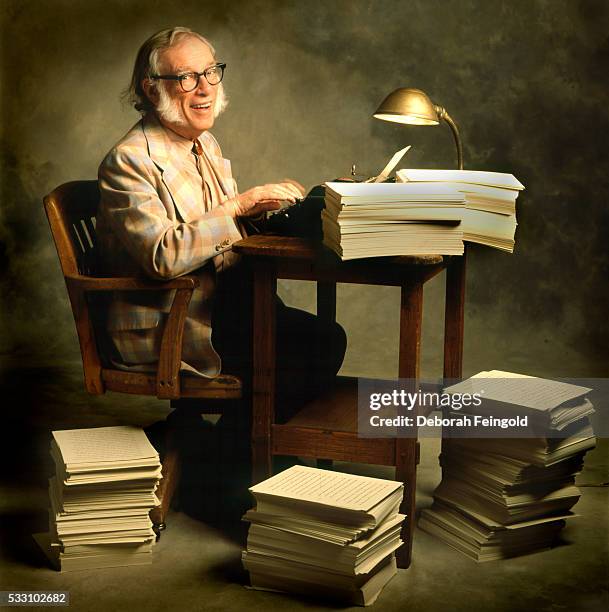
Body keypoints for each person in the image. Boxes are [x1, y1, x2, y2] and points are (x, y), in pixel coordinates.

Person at [96, 27, 346, 416]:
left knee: (323, 338)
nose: (205, 88)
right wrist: (236, 207)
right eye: (187, 77)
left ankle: (231, 444)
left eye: (210, 72)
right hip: (177, 322)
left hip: (223, 304)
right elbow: (161, 256)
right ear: (151, 89)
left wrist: (260, 210)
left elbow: (221, 232)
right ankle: (237, 451)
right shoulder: (129, 161)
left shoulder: (204, 144)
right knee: (314, 346)